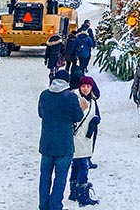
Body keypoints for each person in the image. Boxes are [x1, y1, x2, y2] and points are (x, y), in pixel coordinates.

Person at [38, 69, 84, 210]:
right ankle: (55, 205)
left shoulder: (44, 95)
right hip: (64, 143)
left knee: (45, 176)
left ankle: (43, 205)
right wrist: (81, 108)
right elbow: (78, 117)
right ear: (67, 82)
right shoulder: (70, 97)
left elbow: (41, 114)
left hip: (47, 143)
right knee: (60, 177)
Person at [69, 76, 101, 206]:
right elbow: (72, 116)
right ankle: (83, 195)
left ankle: (74, 192)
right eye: (83, 86)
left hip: (87, 138)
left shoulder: (93, 101)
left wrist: (96, 120)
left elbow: (97, 114)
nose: (86, 89)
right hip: (76, 137)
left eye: (88, 86)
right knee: (83, 165)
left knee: (77, 165)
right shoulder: (74, 99)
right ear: (79, 87)